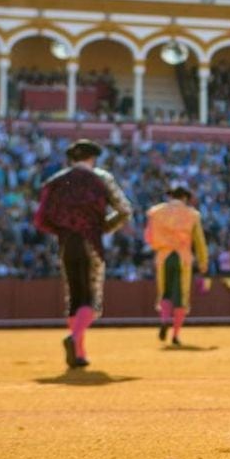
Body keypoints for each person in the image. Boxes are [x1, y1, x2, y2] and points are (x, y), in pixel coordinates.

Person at [33, 139, 132, 368]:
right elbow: (125, 210)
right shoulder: (101, 178)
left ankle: (79, 353)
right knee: (89, 299)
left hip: (67, 244)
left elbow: (40, 219)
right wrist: (102, 227)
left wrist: (61, 231)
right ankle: (74, 339)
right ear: (92, 158)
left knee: (75, 298)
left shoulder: (55, 181)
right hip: (91, 243)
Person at [144, 185, 209, 346]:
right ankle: (175, 335)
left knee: (165, 293)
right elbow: (199, 241)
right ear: (185, 198)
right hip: (182, 257)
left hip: (163, 256)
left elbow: (149, 237)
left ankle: (165, 319)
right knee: (181, 297)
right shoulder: (192, 214)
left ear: (171, 196)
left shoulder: (156, 212)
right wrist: (203, 261)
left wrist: (160, 245)